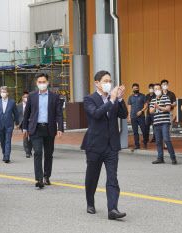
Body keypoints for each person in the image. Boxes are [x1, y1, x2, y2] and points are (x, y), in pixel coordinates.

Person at [81, 70, 128, 220]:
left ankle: (112, 209)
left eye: (110, 81)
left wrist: (119, 100)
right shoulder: (89, 99)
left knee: (112, 178)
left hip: (111, 144)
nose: (108, 84)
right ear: (97, 83)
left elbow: (124, 115)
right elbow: (96, 114)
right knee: (92, 177)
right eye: (105, 81)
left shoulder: (113, 99)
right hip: (95, 144)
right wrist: (112, 100)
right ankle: (90, 202)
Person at [22, 73, 64, 188]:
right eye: (39, 82)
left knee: (49, 154)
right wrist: (25, 128)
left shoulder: (54, 97)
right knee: (38, 152)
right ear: (36, 83)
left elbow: (59, 114)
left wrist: (60, 128)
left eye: (44, 82)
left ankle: (46, 176)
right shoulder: (32, 96)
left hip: (49, 128)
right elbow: (27, 113)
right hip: (36, 128)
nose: (42, 84)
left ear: (48, 83)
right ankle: (39, 179)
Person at [150, 84, 177, 164]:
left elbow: (168, 108)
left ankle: (173, 157)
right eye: (155, 89)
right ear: (154, 91)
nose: (157, 90)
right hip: (156, 123)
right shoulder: (153, 100)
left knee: (166, 139)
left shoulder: (166, 97)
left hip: (165, 122)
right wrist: (155, 107)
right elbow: (150, 111)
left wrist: (159, 107)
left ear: (161, 89)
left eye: (158, 88)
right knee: (158, 141)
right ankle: (160, 158)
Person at [0, 86, 19, 163]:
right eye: (1, 92)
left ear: (7, 93)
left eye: (4, 92)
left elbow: (16, 113)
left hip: (9, 125)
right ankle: (4, 154)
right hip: (0, 125)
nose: (3, 93)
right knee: (2, 141)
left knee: (8, 140)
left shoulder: (12, 102)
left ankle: (7, 156)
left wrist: (17, 123)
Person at [127, 83, 148, 151]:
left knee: (144, 130)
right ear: (132, 89)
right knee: (135, 131)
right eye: (134, 89)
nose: (136, 89)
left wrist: (141, 111)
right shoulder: (130, 97)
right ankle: (137, 145)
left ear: (139, 88)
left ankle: (145, 142)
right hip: (133, 116)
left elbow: (146, 104)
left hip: (141, 116)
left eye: (137, 88)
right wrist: (129, 116)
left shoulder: (142, 96)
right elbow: (129, 107)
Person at [161, 79, 177, 147]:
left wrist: (168, 105)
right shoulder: (159, 94)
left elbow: (175, 103)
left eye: (166, 84)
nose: (165, 85)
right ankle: (163, 142)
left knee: (169, 128)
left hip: (169, 112)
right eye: (164, 84)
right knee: (162, 128)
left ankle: (167, 143)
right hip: (161, 113)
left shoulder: (171, 94)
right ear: (161, 85)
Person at [17, 91, 32, 158]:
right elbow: (16, 115)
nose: (26, 98)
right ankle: (27, 152)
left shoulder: (32, 104)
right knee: (25, 137)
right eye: (24, 97)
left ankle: (29, 149)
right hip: (23, 123)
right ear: (22, 98)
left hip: (31, 122)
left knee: (32, 137)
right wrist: (17, 123)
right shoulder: (19, 106)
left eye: (27, 97)